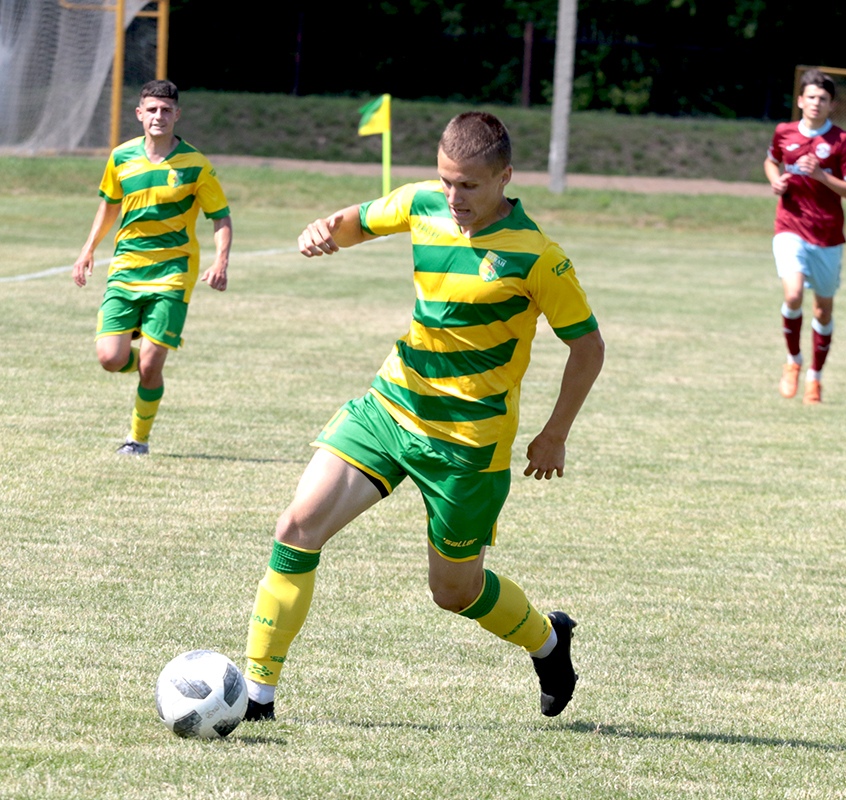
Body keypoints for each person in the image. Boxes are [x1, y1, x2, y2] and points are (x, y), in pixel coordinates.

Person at [240, 111, 605, 723]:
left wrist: (555, 433)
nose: (454, 197)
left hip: (467, 445)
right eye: (446, 181)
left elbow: (588, 347)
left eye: (469, 185)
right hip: (391, 407)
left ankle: (548, 640)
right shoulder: (423, 204)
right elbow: (360, 221)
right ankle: (257, 698)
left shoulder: (539, 257)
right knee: (296, 528)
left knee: (454, 592)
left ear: (505, 177)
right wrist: (325, 231)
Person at [72, 79, 233, 455]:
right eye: (152, 110)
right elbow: (109, 206)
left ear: (177, 115)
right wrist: (88, 249)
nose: (159, 116)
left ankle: (137, 440)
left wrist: (221, 261)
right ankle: (143, 356)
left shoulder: (196, 165)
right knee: (110, 359)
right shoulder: (120, 157)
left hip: (173, 273)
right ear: (139, 114)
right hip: (126, 268)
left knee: (150, 366)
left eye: (166, 110)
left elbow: (221, 217)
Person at [763, 69, 846, 404]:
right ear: (800, 100)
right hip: (789, 226)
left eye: (823, 98)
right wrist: (775, 180)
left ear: (831, 104)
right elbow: (771, 161)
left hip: (827, 235)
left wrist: (822, 176)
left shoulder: (843, 142)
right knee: (793, 295)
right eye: (811, 97)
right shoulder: (784, 132)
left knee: (823, 311)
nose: (816, 103)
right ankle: (793, 360)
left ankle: (815, 377)